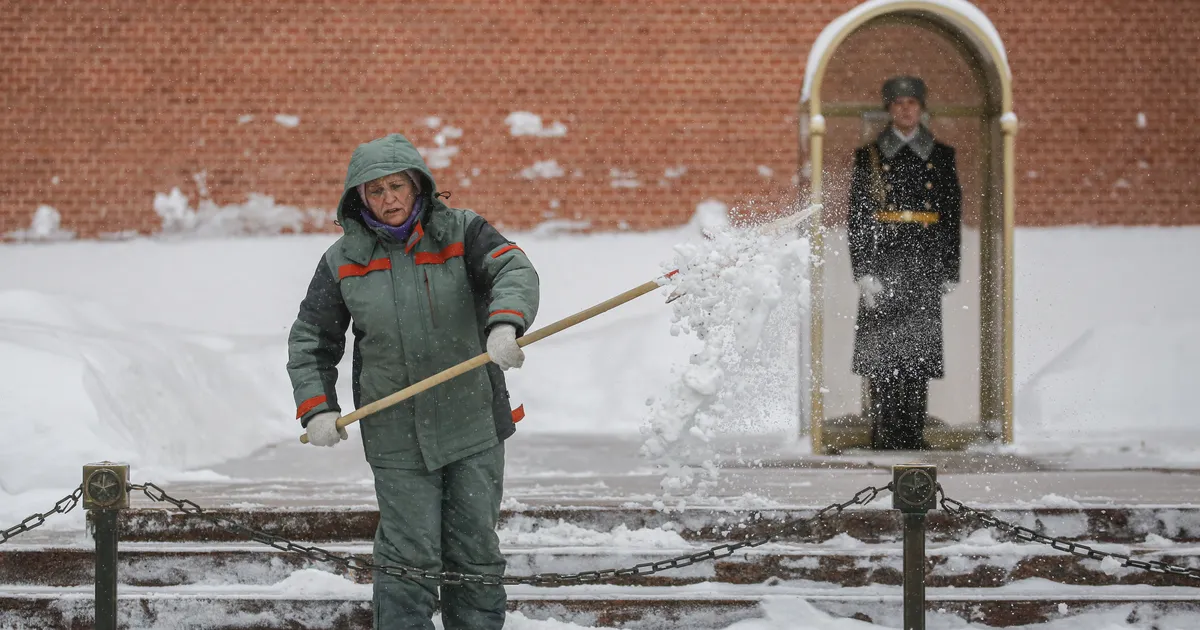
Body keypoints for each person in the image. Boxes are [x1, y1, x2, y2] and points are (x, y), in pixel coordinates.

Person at [286, 133, 539, 629]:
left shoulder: (461, 232)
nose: (390, 200)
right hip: (395, 434)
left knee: (474, 552)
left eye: (397, 186)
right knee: (407, 561)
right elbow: (312, 340)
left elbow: (513, 267)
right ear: (358, 198)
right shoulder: (343, 261)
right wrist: (317, 407)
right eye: (375, 191)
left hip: (472, 427)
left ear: (418, 184)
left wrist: (505, 321)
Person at [847, 76, 962, 451]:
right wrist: (863, 270)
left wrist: (949, 267)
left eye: (912, 103)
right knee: (883, 353)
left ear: (922, 108)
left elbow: (950, 213)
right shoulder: (870, 157)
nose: (906, 110)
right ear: (889, 109)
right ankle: (884, 432)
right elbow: (859, 216)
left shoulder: (941, 156)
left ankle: (912, 432)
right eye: (898, 104)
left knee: (918, 351)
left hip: (925, 259)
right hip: (885, 259)